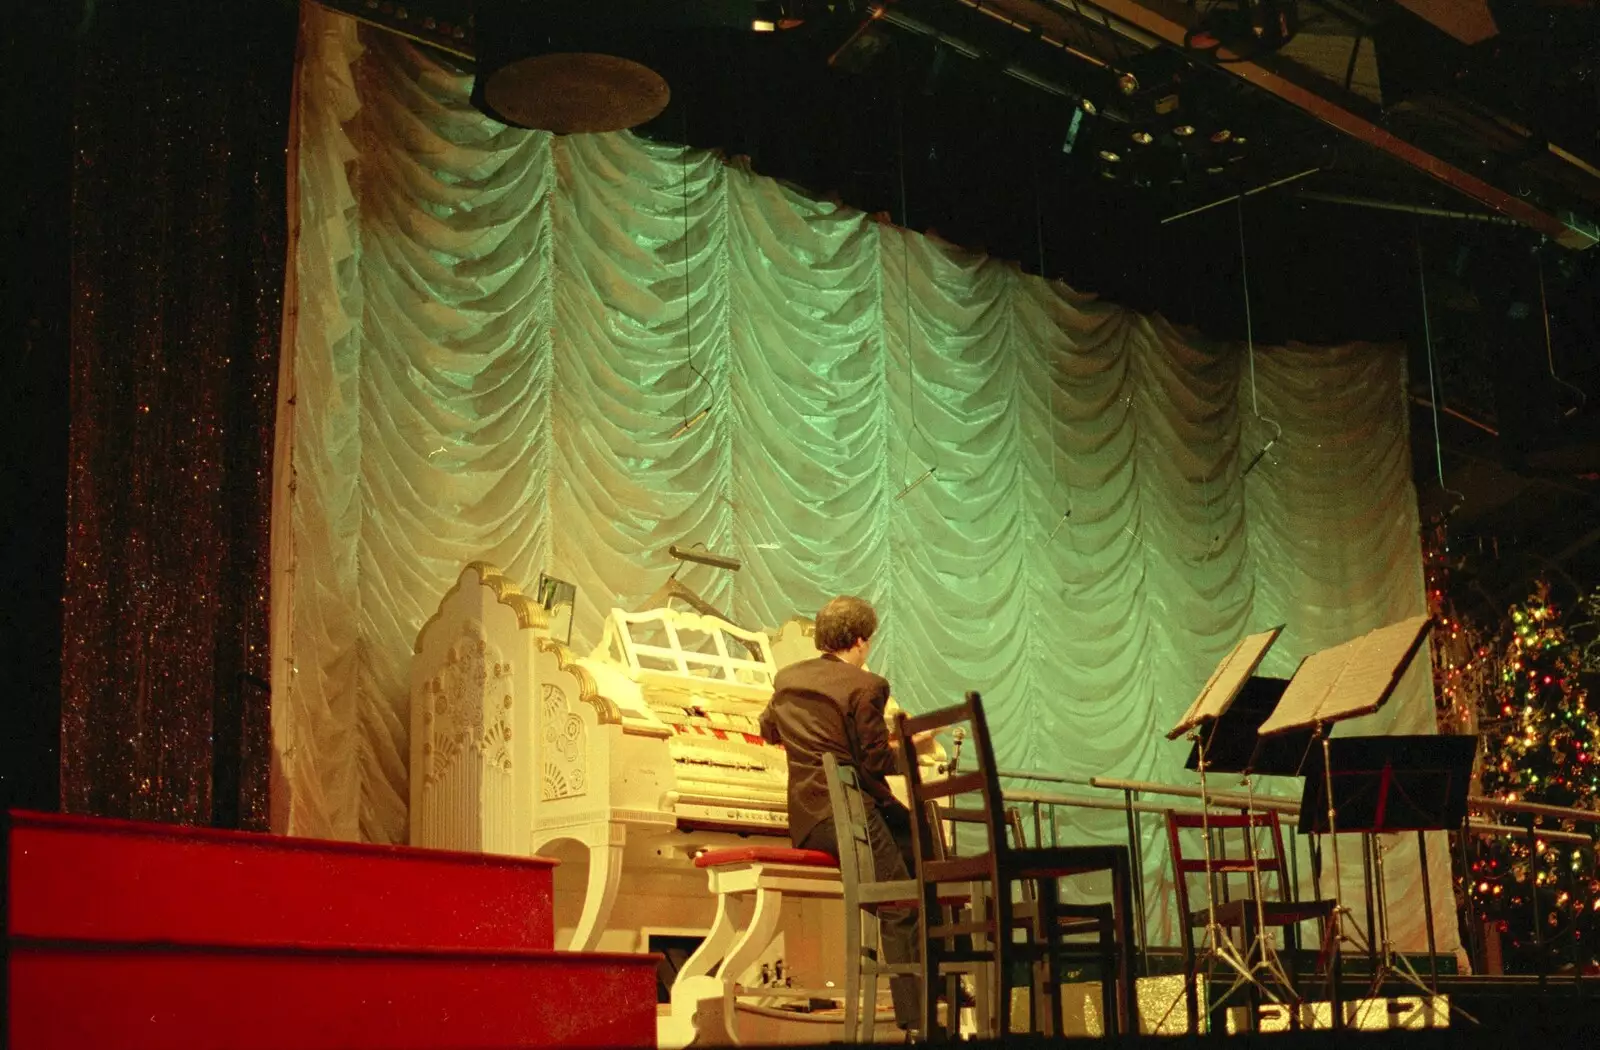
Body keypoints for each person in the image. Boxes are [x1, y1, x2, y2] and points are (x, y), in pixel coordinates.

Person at [759, 595, 923, 1033]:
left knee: (917, 847)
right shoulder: (865, 685)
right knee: (900, 904)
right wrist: (914, 748)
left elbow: (768, 729)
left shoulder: (788, 679)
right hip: (850, 818)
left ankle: (938, 984)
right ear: (860, 640)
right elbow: (874, 764)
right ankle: (916, 1021)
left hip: (810, 821)